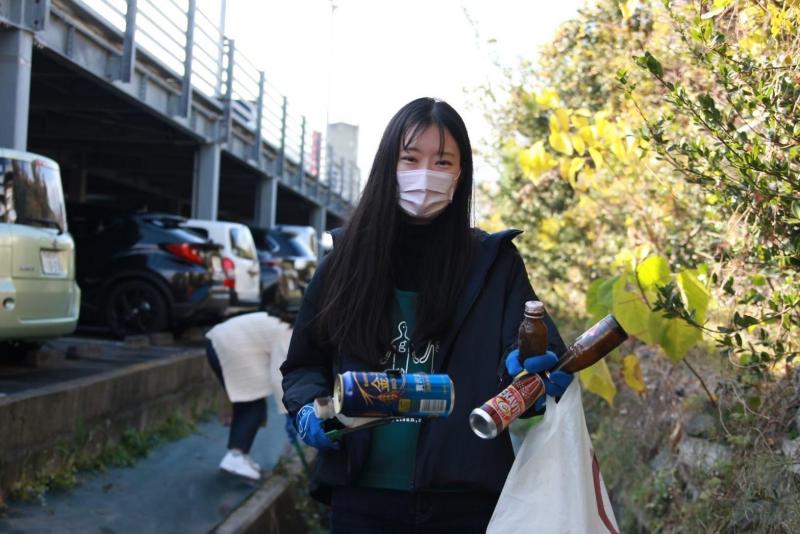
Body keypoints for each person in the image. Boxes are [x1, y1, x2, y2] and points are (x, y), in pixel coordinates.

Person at [280, 97, 573, 532]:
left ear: (460, 174)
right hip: (362, 499)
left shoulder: (493, 264)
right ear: (387, 167)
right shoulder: (345, 263)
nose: (425, 175)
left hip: (466, 502)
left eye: (442, 161)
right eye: (410, 158)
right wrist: (309, 408)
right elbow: (304, 364)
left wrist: (528, 369)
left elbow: (535, 345)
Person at [205, 312, 291, 481]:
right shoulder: (289, 334)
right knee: (253, 404)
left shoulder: (283, 324)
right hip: (232, 347)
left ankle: (239, 455)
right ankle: (235, 458)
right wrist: (289, 413)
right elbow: (279, 376)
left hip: (217, 343)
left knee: (249, 402)